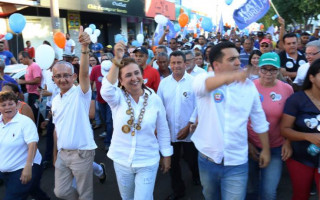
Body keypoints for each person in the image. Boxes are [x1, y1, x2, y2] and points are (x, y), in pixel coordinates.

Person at [191, 41, 270, 200]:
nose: (238, 62)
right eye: (231, 59)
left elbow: (259, 120)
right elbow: (203, 86)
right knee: (210, 196)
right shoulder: (203, 79)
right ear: (216, 65)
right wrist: (232, 77)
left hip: (237, 162)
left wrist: (266, 149)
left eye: (238, 58)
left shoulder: (248, 86)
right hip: (208, 158)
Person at [100, 41, 172, 200]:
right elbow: (106, 89)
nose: (134, 78)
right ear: (120, 80)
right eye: (128, 75)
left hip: (148, 160)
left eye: (136, 73)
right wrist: (117, 59)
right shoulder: (117, 97)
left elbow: (163, 128)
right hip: (121, 160)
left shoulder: (153, 98)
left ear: (142, 75)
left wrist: (166, 154)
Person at [52, 26, 97, 200]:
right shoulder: (55, 100)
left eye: (66, 75)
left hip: (82, 153)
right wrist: (56, 155)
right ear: (53, 78)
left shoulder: (81, 94)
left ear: (74, 77)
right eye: (58, 76)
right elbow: (57, 129)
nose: (62, 79)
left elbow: (85, 73)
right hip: (63, 154)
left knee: (85, 195)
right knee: (60, 192)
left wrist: (84, 49)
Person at [246, 52, 293, 200]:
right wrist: (247, 143)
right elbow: (238, 119)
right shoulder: (248, 88)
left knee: (268, 192)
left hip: (275, 146)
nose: (268, 73)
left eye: (272, 69)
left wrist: (288, 142)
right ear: (258, 69)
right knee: (251, 188)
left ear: (278, 70)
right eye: (264, 69)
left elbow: (291, 119)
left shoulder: (287, 89)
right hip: (249, 145)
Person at [157, 51, 200, 200]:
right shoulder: (164, 83)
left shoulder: (194, 82)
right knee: (173, 165)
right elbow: (159, 106)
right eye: (173, 63)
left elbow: (199, 106)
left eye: (179, 62)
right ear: (170, 64)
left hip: (190, 132)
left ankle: (196, 175)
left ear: (185, 63)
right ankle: (178, 191)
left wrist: (188, 126)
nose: (176, 66)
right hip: (170, 132)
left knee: (192, 160)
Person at [280, 58, 320, 200]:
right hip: (300, 157)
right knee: (300, 195)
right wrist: (308, 136)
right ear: (312, 77)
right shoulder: (297, 99)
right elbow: (284, 129)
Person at [0, 91, 49, 200]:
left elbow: (33, 144)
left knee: (13, 196)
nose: (7, 107)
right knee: (32, 190)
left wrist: (28, 167)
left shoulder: (25, 122)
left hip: (23, 168)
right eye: (3, 105)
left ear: (17, 105)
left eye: (11, 104)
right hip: (6, 170)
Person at [90, 54, 114, 151]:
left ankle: (108, 142)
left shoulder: (114, 69)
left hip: (111, 101)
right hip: (99, 99)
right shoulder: (95, 69)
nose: (105, 61)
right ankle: (108, 132)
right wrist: (91, 94)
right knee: (104, 119)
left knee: (109, 121)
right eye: (103, 59)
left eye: (107, 59)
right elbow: (90, 81)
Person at [17, 51, 42, 125]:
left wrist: (23, 82)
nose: (20, 61)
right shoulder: (28, 67)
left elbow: (37, 80)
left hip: (36, 94)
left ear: (26, 58)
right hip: (31, 94)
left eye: (21, 59)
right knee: (35, 111)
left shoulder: (34, 66)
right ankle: (42, 126)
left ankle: (40, 128)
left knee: (35, 112)